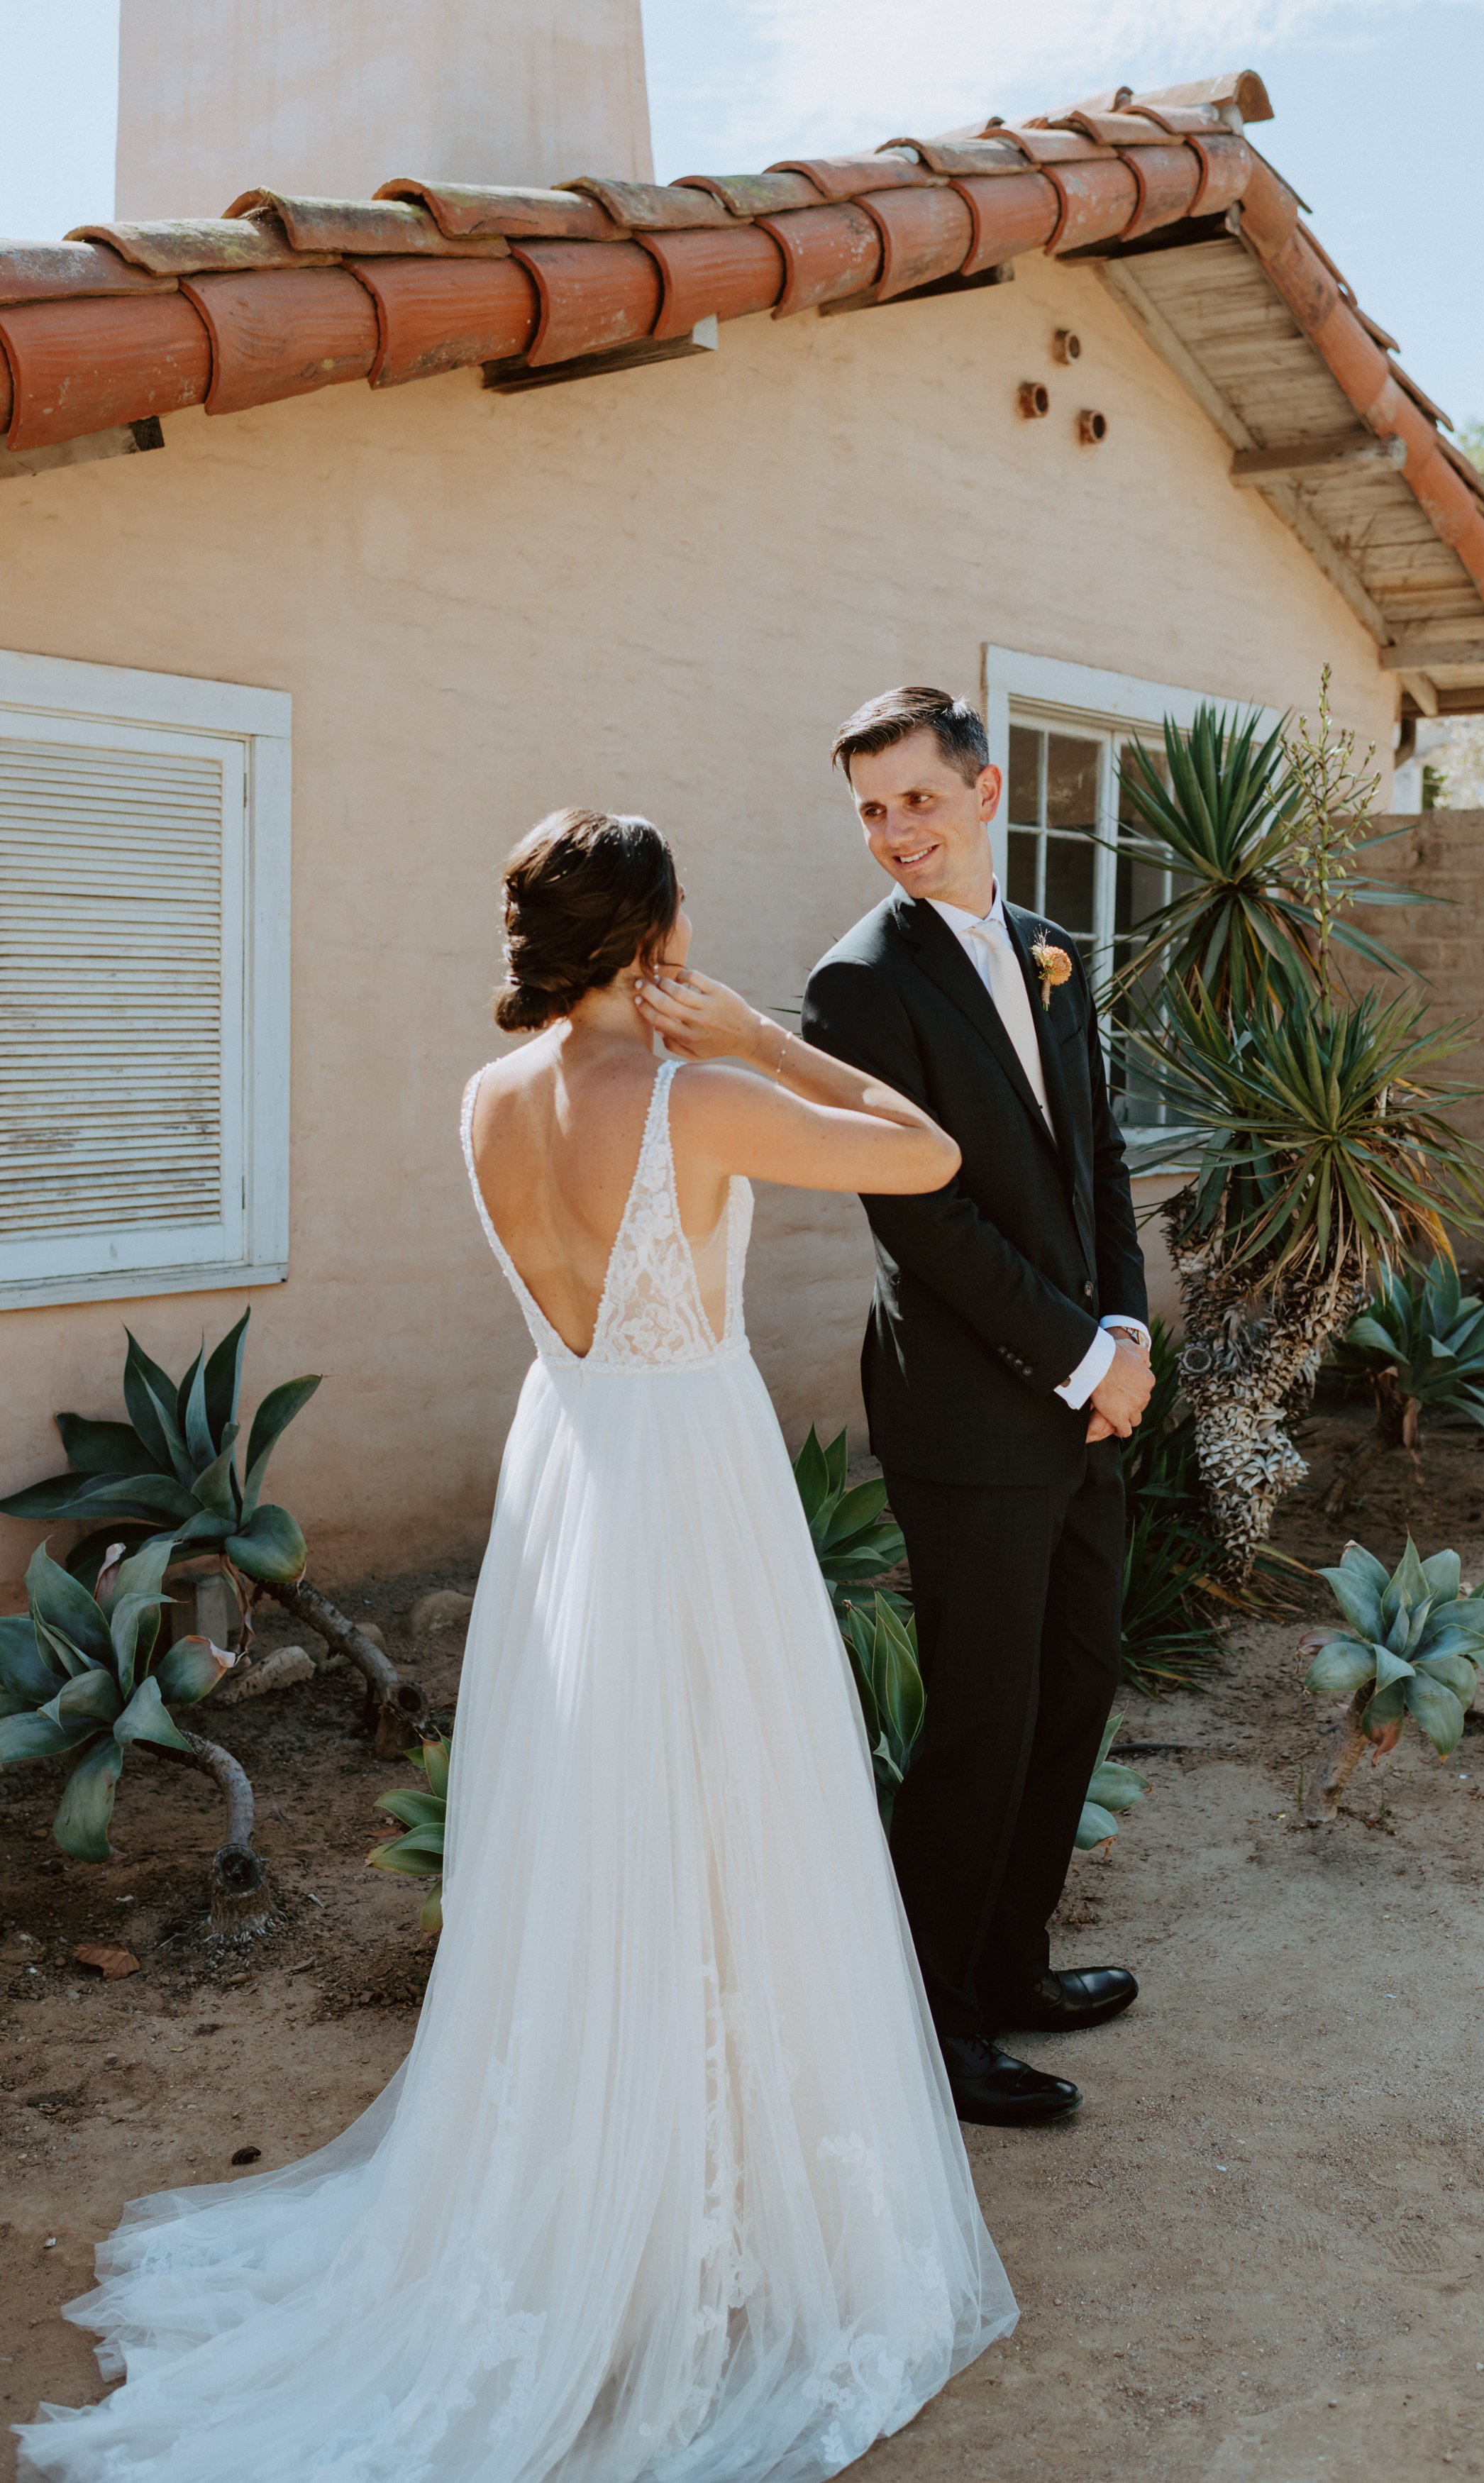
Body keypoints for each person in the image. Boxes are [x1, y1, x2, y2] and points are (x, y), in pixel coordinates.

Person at [17, 809, 1015, 2483]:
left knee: (590, 1831)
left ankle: (599, 2164)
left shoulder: (486, 1098)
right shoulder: (702, 1095)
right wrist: (760, 1030)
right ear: (653, 936)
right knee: (728, 1814)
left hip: (570, 1462)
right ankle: (701, 2203)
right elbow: (930, 1152)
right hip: (689, 1476)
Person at [801, 688, 1155, 2132]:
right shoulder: (857, 986)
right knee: (977, 1729)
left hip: (1090, 1396)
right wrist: (1080, 1353)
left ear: (984, 789)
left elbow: (1101, 1167)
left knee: (1075, 1691)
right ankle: (930, 2030)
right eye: (873, 809)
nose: (896, 832)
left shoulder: (1047, 946)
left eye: (918, 800)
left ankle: (1011, 1965)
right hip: (970, 1421)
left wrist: (1126, 1329)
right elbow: (928, 1226)